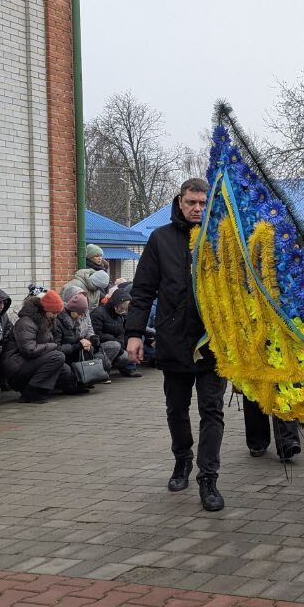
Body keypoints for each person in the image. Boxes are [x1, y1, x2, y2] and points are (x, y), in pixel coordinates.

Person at [125, 178, 229, 511]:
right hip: (173, 340)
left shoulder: (222, 238)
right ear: (180, 202)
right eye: (191, 203)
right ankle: (182, 458)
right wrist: (134, 334)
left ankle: (208, 477)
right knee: (176, 409)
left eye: (202, 203)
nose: (197, 209)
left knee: (212, 410)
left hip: (212, 342)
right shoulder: (161, 239)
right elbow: (142, 291)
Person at [2, 291, 73, 404]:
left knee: (64, 370)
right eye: (53, 312)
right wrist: (52, 346)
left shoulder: (45, 321)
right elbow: (29, 350)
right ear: (45, 310)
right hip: (16, 367)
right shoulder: (26, 322)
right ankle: (31, 392)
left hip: (27, 363)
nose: (56, 316)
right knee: (58, 357)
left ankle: (39, 389)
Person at [90, 286, 141, 378]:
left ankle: (121, 368)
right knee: (115, 345)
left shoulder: (119, 317)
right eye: (121, 308)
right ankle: (101, 372)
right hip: (99, 347)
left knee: (127, 355)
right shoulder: (98, 313)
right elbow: (96, 334)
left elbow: (121, 333)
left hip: (114, 345)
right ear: (115, 304)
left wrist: (121, 343)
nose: (123, 311)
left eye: (125, 309)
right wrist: (115, 340)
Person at [54, 293, 100, 387]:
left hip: (70, 350)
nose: (80, 316)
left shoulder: (74, 319)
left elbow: (74, 337)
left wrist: (84, 340)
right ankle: (73, 383)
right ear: (72, 309)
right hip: (63, 354)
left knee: (88, 348)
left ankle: (86, 378)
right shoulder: (58, 322)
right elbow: (56, 346)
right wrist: (76, 346)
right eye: (79, 313)